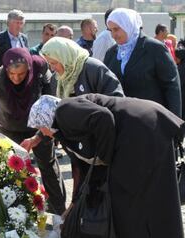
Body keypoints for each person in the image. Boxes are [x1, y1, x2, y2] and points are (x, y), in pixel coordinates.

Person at [28, 94, 185, 238]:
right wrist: (76, 201)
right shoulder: (65, 125)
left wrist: (105, 158)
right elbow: (84, 167)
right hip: (140, 131)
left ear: (46, 117)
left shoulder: (64, 110)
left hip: (141, 130)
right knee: (143, 197)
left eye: (40, 127)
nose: (42, 132)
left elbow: (103, 117)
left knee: (139, 195)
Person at [0, 48, 66, 215]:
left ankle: (59, 212)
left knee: (47, 166)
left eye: (21, 75)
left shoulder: (40, 68)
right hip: (9, 127)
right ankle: (19, 214)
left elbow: (51, 102)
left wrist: (38, 136)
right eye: (12, 74)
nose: (16, 78)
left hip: (40, 125)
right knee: (12, 170)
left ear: (29, 69)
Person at [21, 36, 124, 199]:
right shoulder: (61, 78)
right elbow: (55, 114)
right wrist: (37, 137)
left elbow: (116, 102)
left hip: (104, 146)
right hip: (81, 148)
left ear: (65, 56)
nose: (53, 69)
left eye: (54, 63)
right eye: (50, 64)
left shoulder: (92, 68)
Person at [104, 8, 182, 118]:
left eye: (116, 29)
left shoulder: (154, 48)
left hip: (151, 121)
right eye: (110, 30)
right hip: (120, 123)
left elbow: (171, 86)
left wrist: (174, 123)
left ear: (128, 25)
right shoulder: (111, 53)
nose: (113, 35)